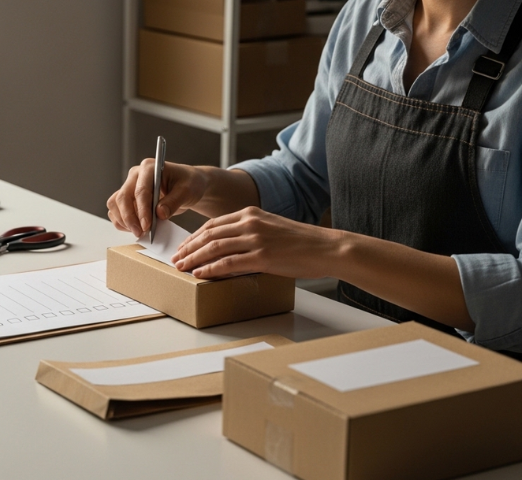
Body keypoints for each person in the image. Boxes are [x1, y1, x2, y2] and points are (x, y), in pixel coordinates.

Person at [107, 0, 522, 358]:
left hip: (484, 390)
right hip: (355, 353)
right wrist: (201, 185)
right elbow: (300, 178)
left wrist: (335, 251)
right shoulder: (364, 17)